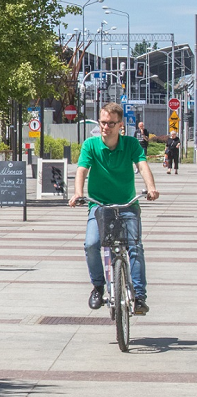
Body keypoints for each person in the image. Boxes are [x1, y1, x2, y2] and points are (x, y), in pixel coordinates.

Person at [70, 102, 158, 314]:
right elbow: (82, 170)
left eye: (111, 123)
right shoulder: (90, 145)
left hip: (127, 206)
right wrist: (78, 193)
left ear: (120, 125)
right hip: (99, 206)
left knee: (135, 247)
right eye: (103, 122)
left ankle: (139, 297)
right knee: (91, 244)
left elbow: (142, 165)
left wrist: (151, 188)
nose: (105, 127)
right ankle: (98, 288)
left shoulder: (130, 145)